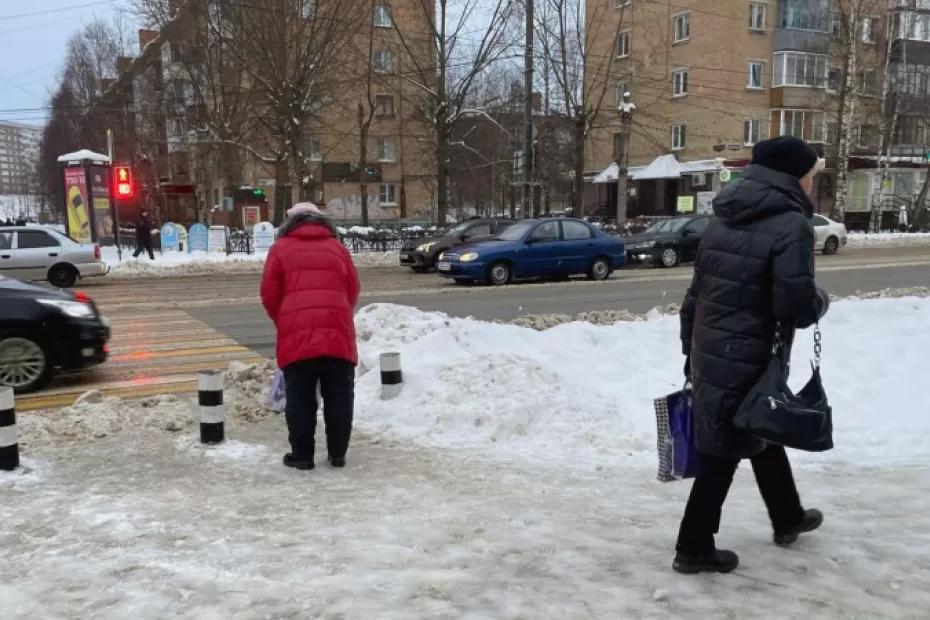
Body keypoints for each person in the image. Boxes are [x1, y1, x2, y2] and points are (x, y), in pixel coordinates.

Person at [675, 136, 831, 574]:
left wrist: (690, 348)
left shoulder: (723, 217)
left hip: (712, 347)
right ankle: (693, 547)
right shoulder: (790, 224)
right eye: (811, 175)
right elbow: (794, 307)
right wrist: (820, 300)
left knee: (759, 423)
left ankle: (787, 516)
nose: (812, 184)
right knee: (723, 450)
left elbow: (695, 294)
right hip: (751, 352)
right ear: (793, 176)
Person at [260, 202, 360, 470]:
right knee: (339, 396)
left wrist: (284, 319)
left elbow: (269, 294)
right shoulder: (338, 248)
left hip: (297, 333)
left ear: (289, 222)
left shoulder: (280, 249)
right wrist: (338, 314)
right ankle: (338, 454)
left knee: (300, 397)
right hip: (337, 331)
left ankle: (302, 456)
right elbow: (352, 288)